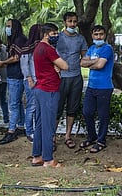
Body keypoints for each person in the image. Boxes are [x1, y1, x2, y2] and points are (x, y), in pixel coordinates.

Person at [31, 23, 68, 167]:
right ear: (46, 34)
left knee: (40, 124)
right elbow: (65, 66)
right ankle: (48, 159)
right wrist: (58, 66)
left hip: (40, 89)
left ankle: (37, 156)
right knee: (48, 125)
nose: (56, 36)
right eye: (54, 33)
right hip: (49, 90)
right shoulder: (47, 49)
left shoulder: (37, 48)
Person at [79, 25, 114, 153]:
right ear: (92, 36)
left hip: (104, 87)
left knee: (103, 115)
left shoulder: (107, 49)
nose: (98, 37)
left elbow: (100, 65)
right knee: (87, 112)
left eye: (101, 34)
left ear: (105, 35)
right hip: (91, 86)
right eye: (96, 34)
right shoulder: (92, 48)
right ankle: (92, 136)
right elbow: (82, 63)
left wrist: (92, 63)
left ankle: (101, 141)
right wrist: (95, 62)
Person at [56, 12, 87, 149]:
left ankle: (68, 136)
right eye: (70, 21)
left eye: (74, 21)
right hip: (60, 78)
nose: (72, 24)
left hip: (76, 78)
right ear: (64, 22)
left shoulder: (80, 39)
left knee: (72, 109)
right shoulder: (57, 37)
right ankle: (52, 136)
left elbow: (84, 57)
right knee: (57, 108)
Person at [0, 19, 27, 145]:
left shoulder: (20, 40)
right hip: (13, 74)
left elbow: (16, 57)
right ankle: (20, 127)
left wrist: (3, 63)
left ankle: (11, 131)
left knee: (13, 104)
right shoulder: (13, 40)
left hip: (17, 75)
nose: (7, 29)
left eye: (9, 26)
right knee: (17, 103)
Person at [20, 24, 43, 143]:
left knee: (37, 107)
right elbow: (24, 64)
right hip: (31, 80)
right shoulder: (27, 47)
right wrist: (29, 79)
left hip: (40, 80)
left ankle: (36, 130)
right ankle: (29, 131)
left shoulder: (41, 46)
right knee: (31, 106)